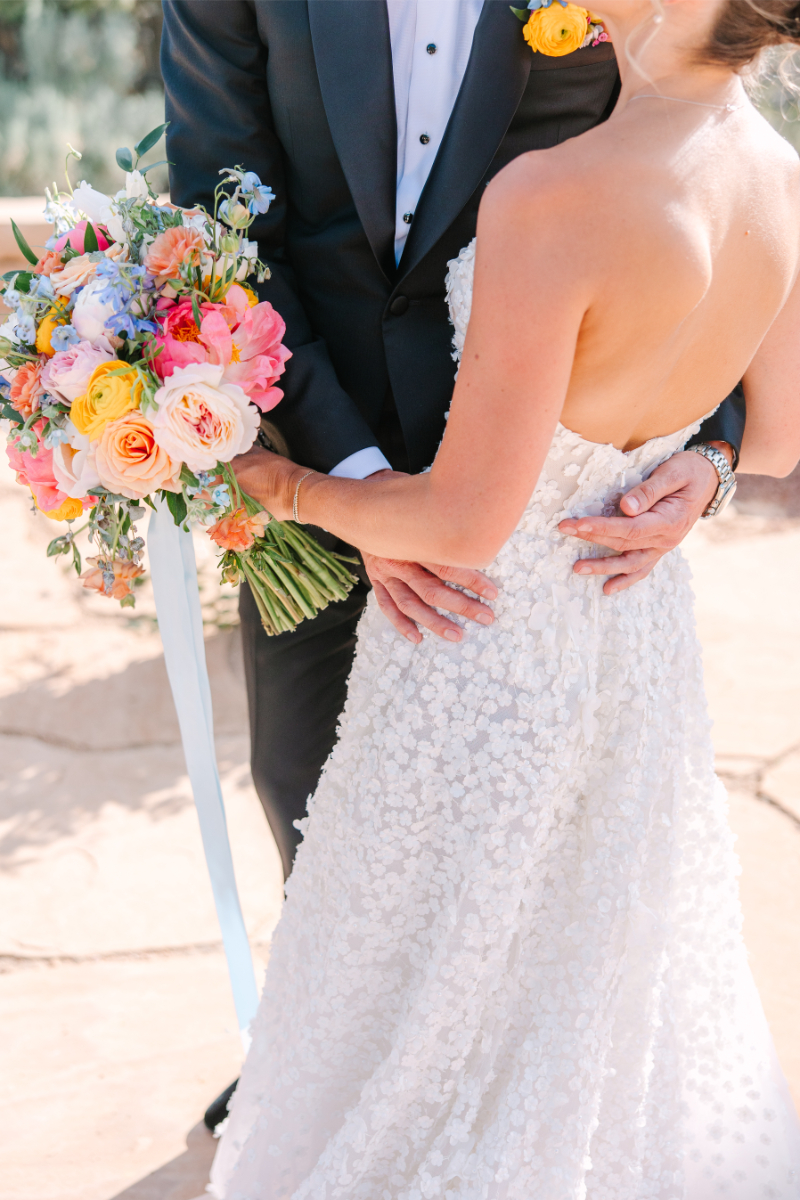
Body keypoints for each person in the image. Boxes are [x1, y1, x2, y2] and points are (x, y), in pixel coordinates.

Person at [204, 0, 800, 1195]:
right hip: (630, 638)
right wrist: (699, 469)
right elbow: (778, 438)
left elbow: (459, 527)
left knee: (413, 997)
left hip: (471, 650)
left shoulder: (550, 195)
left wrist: (270, 482)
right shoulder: (780, 172)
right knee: (586, 986)